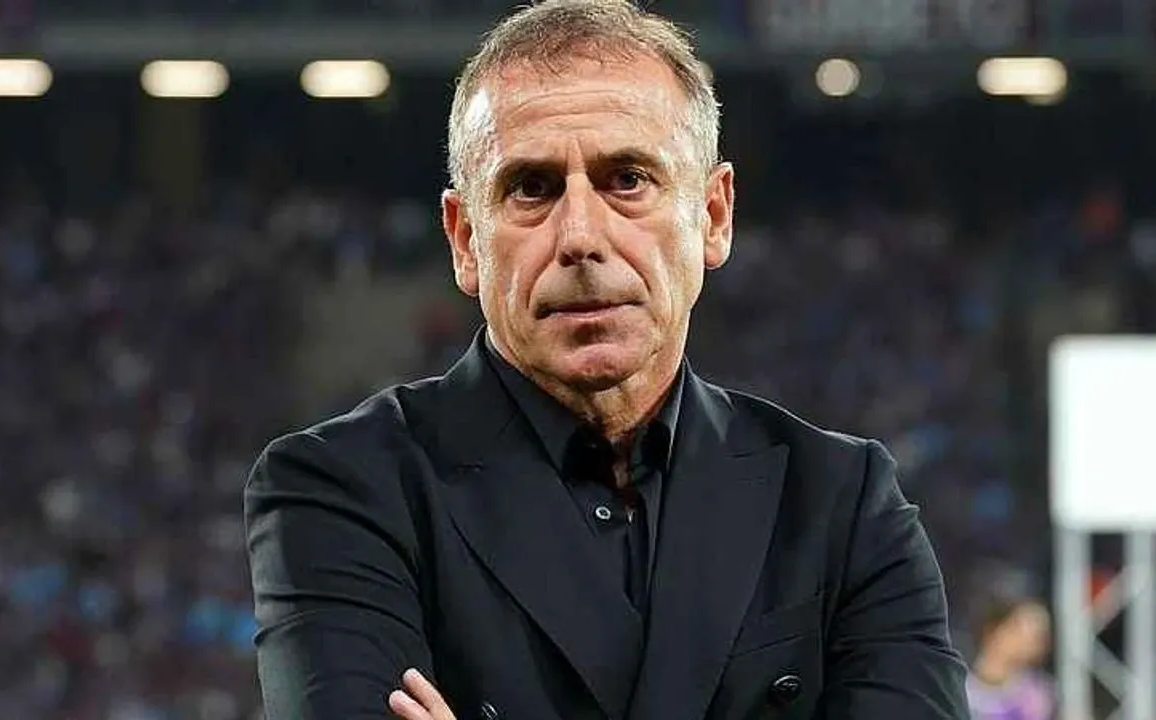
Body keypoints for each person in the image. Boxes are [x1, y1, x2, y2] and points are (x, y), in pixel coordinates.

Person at [243, 0, 970, 718]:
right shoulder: (341, 490)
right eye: (531, 188)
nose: (581, 237)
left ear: (713, 216)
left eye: (628, 180)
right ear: (465, 240)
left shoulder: (843, 502)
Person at [965, 596, 1054, 720]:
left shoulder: (1039, 696)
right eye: (1017, 629)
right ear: (993, 631)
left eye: (1038, 636)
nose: (1026, 640)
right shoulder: (963, 691)